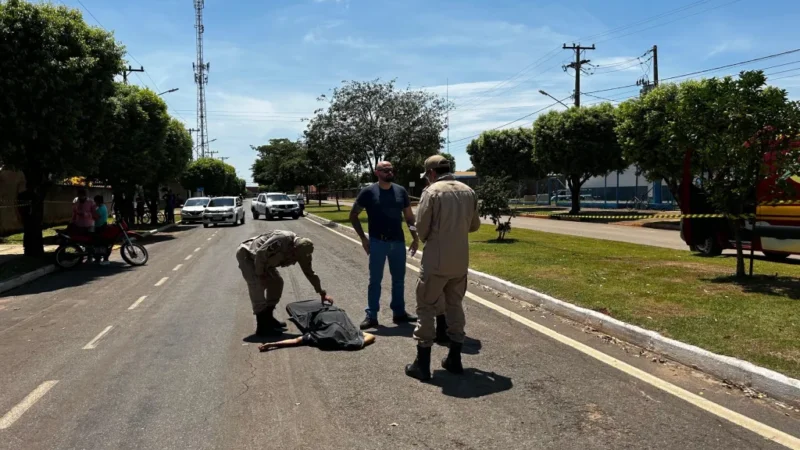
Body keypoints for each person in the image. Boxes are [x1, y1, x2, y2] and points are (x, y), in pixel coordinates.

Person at [405, 155, 481, 381]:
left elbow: (422, 229)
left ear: (430, 173)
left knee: (426, 307)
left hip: (436, 261)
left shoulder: (431, 192)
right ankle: (455, 358)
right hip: (460, 260)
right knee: (455, 305)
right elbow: (474, 225)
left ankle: (422, 364)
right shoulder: (468, 191)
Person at [349, 161, 418, 330]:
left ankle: (399, 312)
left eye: (391, 169)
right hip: (377, 242)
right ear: (376, 172)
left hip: (398, 242)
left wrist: (415, 237)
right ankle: (371, 315)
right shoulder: (368, 192)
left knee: (399, 280)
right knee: (375, 280)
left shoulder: (401, 191)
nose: (389, 172)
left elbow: (409, 217)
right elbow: (353, 215)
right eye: (385, 170)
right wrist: (363, 239)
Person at [235, 230, 333, 336]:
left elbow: (309, 273)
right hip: (248, 255)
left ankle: (268, 318)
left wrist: (321, 292)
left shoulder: (304, 252)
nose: (297, 257)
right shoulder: (281, 239)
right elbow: (260, 254)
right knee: (257, 285)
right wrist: (260, 274)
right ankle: (262, 327)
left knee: (277, 283)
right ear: (293, 247)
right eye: (295, 254)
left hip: (264, 261)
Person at [258, 300, 376, 352]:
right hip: (330, 311)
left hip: (319, 313)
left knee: (291, 307)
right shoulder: (350, 339)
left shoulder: (320, 338)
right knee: (291, 307)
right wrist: (361, 342)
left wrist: (273, 344)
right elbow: (371, 336)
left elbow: (295, 341)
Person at [92, 195, 111, 265]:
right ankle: (98, 258)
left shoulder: (100, 209)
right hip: (101, 226)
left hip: (100, 227)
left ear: (97, 201)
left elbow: (95, 217)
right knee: (98, 243)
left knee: (100, 243)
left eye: (95, 201)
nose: (94, 203)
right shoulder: (103, 207)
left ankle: (105, 259)